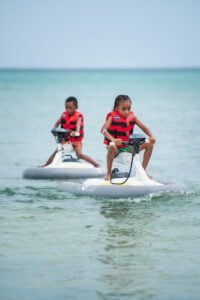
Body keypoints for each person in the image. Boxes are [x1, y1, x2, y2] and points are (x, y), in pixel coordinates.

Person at [101, 94, 156, 180]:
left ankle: (143, 172)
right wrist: (113, 140)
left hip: (127, 147)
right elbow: (103, 130)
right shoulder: (112, 117)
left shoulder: (132, 117)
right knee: (111, 146)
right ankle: (108, 173)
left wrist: (152, 136)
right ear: (116, 108)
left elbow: (144, 128)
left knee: (149, 144)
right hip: (115, 149)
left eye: (128, 109)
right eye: (123, 109)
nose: (126, 111)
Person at [42, 97, 99, 167]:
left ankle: (96, 164)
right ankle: (46, 165)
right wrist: (54, 131)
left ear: (76, 107)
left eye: (70, 108)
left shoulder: (79, 117)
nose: (67, 110)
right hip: (66, 141)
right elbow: (56, 125)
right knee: (56, 151)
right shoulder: (63, 115)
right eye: (66, 108)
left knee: (79, 155)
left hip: (76, 141)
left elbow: (78, 126)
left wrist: (76, 132)